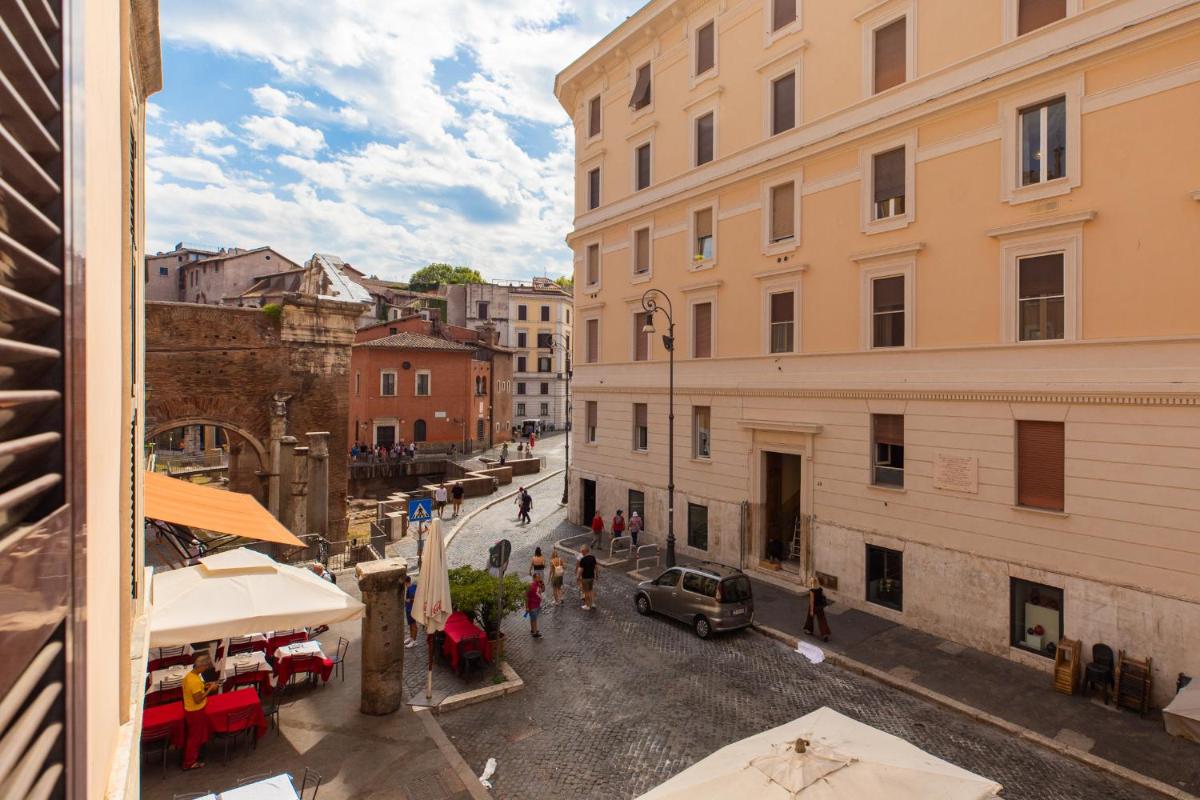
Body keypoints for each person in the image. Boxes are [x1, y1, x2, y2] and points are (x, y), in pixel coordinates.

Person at [182, 653, 220, 770]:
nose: (206, 669)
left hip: (192, 710)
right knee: (194, 738)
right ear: (201, 666)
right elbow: (198, 699)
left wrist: (204, 685)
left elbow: (196, 688)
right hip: (195, 711)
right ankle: (189, 762)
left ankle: (194, 757)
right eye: (206, 667)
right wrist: (209, 689)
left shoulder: (190, 676)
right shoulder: (193, 680)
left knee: (197, 735)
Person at [804, 576, 831, 642]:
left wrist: (811, 610)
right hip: (820, 606)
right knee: (822, 620)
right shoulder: (820, 589)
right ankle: (825, 634)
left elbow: (812, 601)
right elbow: (824, 596)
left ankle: (809, 630)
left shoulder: (812, 591)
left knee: (810, 618)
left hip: (814, 606)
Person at [577, 545, 598, 610]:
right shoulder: (593, 557)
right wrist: (597, 574)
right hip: (592, 577)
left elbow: (581, 570)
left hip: (585, 578)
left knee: (586, 592)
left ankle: (587, 605)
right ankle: (593, 603)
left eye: (582, 552)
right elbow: (596, 567)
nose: (581, 553)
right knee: (591, 590)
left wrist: (578, 577)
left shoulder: (583, 560)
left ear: (584, 551)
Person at [404, 575, 419, 647]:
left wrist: (409, 600)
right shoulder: (409, 587)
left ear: (405, 582)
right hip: (408, 608)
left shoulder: (412, 588)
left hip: (412, 609)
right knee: (410, 624)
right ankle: (411, 637)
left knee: (413, 625)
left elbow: (416, 598)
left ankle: (414, 641)